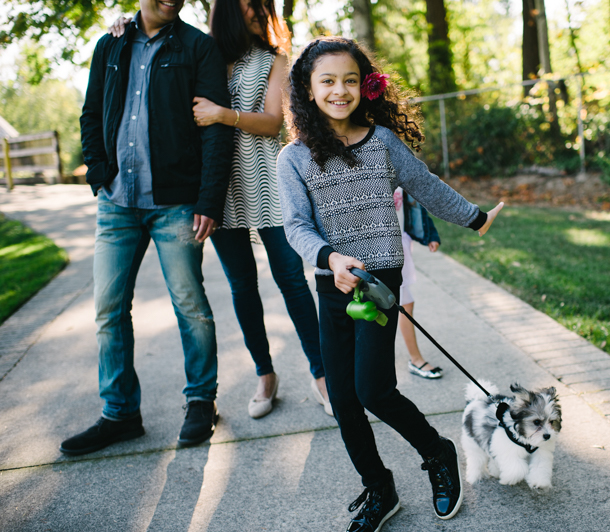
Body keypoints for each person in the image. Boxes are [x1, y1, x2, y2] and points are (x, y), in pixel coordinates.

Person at [277, 37, 503, 532]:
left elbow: (424, 186)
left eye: (350, 80)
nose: (340, 90)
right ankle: (380, 487)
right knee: (342, 399)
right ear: (308, 90)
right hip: (331, 283)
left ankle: (437, 453)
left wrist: (475, 217)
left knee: (373, 389)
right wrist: (330, 257)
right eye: (328, 81)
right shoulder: (293, 158)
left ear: (365, 85)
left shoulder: (381, 142)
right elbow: (295, 226)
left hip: (380, 281)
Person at [109, 0, 332, 420]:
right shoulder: (199, 51)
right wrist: (125, 24)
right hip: (221, 188)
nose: (259, 11)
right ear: (229, 8)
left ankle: (322, 376)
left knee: (292, 281)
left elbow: (272, 123)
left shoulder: (274, 59)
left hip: (267, 184)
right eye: (251, 4)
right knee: (242, 286)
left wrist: (222, 115)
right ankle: (265, 375)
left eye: (264, 5)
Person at [60, 0, 234, 456]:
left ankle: (201, 400)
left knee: (190, 304)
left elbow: (217, 130)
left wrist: (208, 199)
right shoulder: (109, 45)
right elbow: (91, 113)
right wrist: (99, 173)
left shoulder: (198, 47)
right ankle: (119, 414)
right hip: (116, 203)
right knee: (108, 310)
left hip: (175, 204)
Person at [394, 188, 444, 379]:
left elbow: (414, 201)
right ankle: (413, 359)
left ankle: (415, 359)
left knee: (406, 303)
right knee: (387, 305)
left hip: (399, 245)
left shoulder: (395, 165)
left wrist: (430, 233)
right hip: (376, 249)